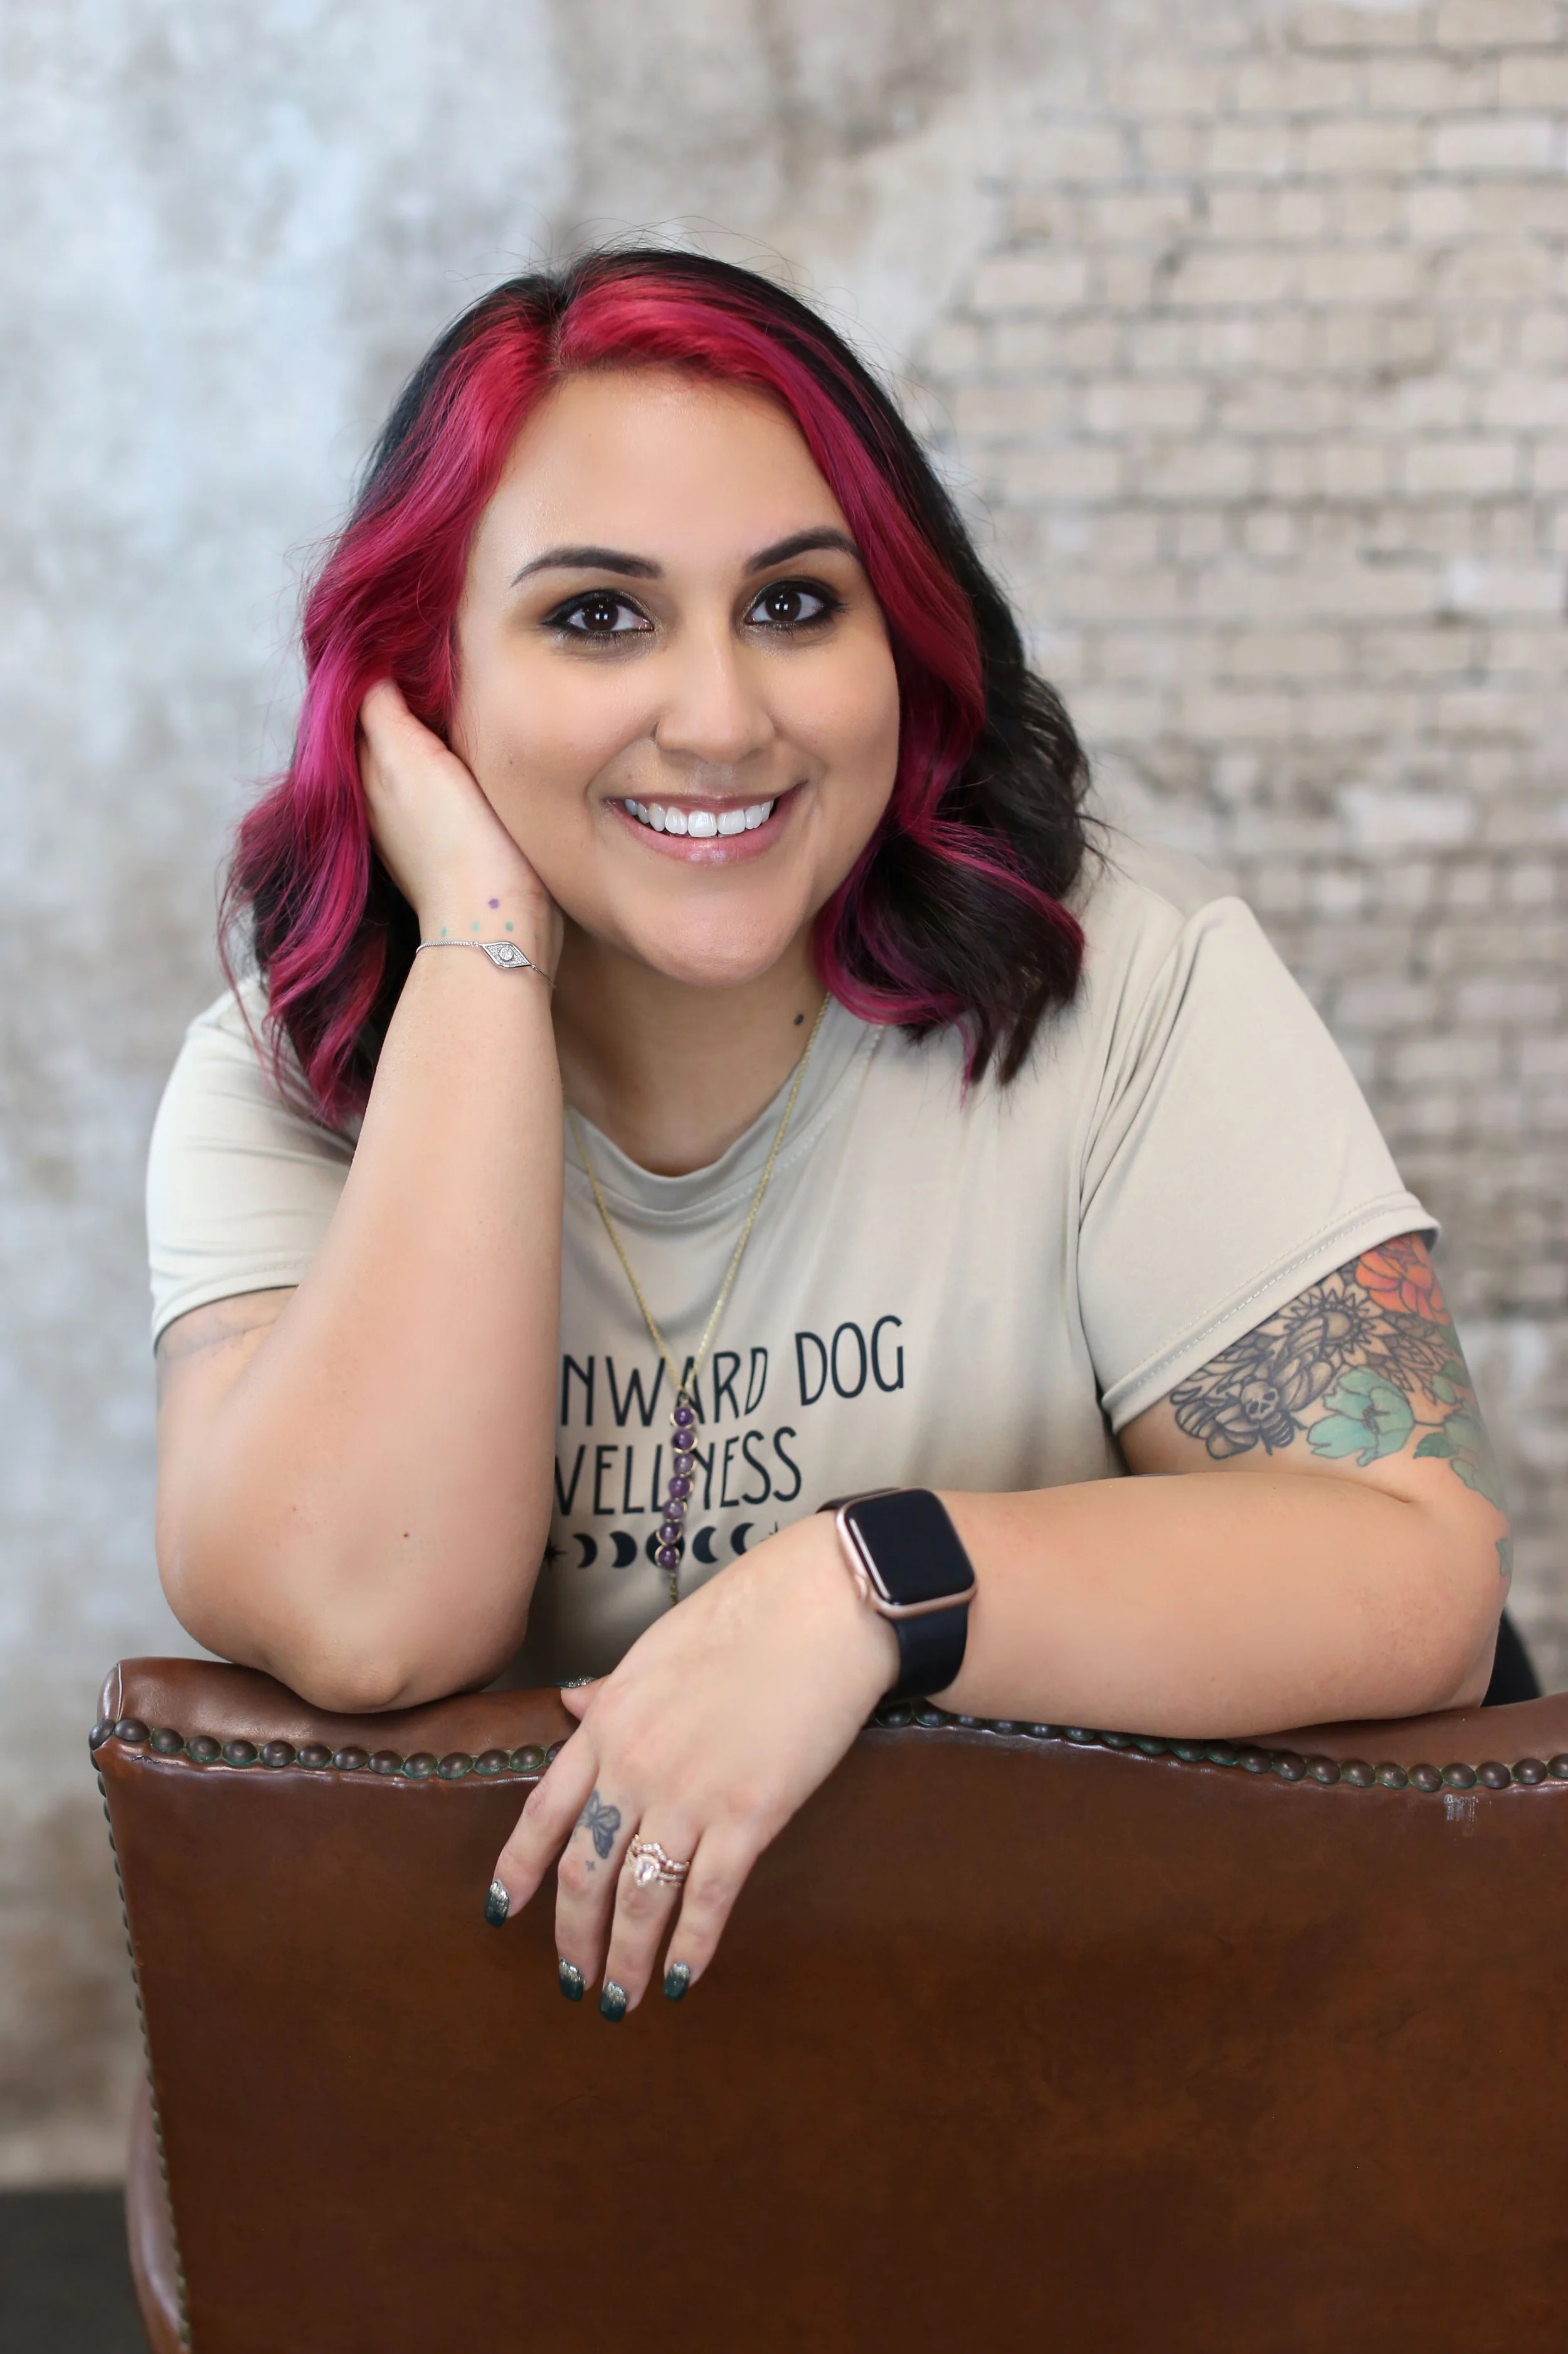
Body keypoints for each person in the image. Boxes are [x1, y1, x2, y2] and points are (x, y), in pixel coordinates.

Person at [149, 250, 1510, 2026]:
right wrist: (483, 941)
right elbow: (368, 1617)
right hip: (536, 2144)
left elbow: (1417, 1570)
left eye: (795, 605)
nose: (721, 718)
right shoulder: (287, 1081)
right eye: (596, 617)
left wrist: (874, 1586)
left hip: (1108, 2064)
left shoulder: (1125, 985)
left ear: (903, 641)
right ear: (417, 684)